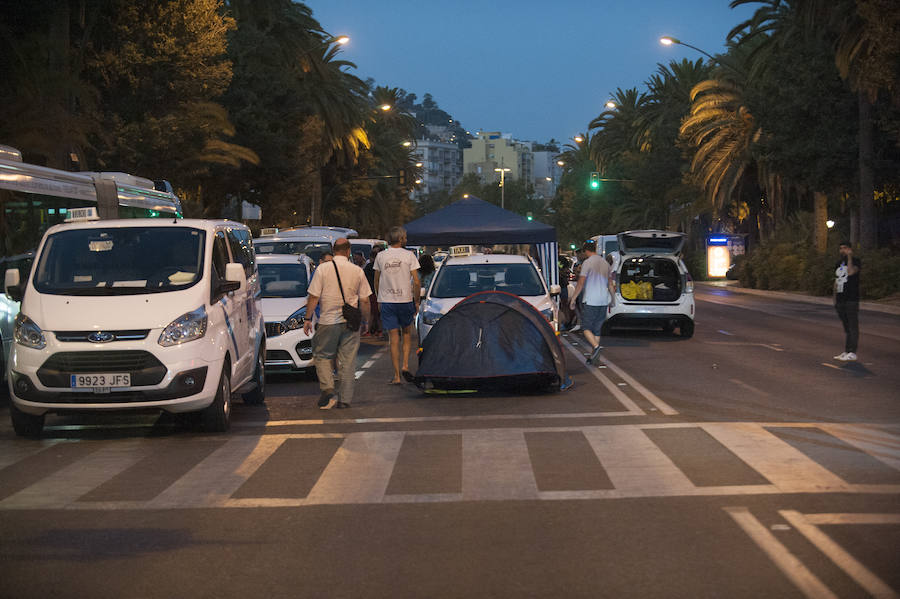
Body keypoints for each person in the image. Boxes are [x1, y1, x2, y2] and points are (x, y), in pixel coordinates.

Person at [303, 238, 371, 409]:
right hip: (351, 322)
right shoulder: (357, 271)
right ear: (348, 251)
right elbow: (365, 300)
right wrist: (365, 321)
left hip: (328, 321)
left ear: (334, 251)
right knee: (348, 361)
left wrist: (308, 319)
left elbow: (314, 297)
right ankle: (345, 400)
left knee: (322, 355)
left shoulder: (322, 269)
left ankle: (327, 387)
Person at [374, 226, 420, 384]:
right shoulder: (409, 255)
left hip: (387, 301)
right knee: (406, 334)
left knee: (393, 339)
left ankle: (396, 376)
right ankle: (405, 365)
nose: (406, 239)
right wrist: (416, 300)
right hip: (405, 300)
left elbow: (376, 279)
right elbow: (416, 281)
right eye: (405, 237)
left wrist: (379, 297)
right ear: (400, 239)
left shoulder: (380, 256)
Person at [569, 240, 615, 364]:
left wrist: (573, 298)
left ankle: (596, 347)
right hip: (603, 300)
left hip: (590, 300)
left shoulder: (587, 263)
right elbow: (610, 284)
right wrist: (613, 300)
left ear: (586, 251)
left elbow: (581, 282)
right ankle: (594, 356)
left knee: (586, 327)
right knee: (597, 329)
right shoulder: (605, 263)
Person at [833, 241, 861, 361]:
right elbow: (836, 281)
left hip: (851, 299)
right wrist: (834, 299)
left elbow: (850, 272)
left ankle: (852, 352)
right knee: (847, 327)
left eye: (845, 248)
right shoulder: (838, 263)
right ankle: (846, 351)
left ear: (850, 249)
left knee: (853, 326)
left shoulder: (856, 261)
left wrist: (850, 257)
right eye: (841, 248)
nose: (842, 250)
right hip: (840, 299)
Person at [363, 248, 382, 336]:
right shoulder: (380, 266)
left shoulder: (369, 266)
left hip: (371, 292)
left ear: (371, 257)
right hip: (380, 292)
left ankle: (369, 330)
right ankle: (379, 330)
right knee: (378, 313)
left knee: (372, 313)